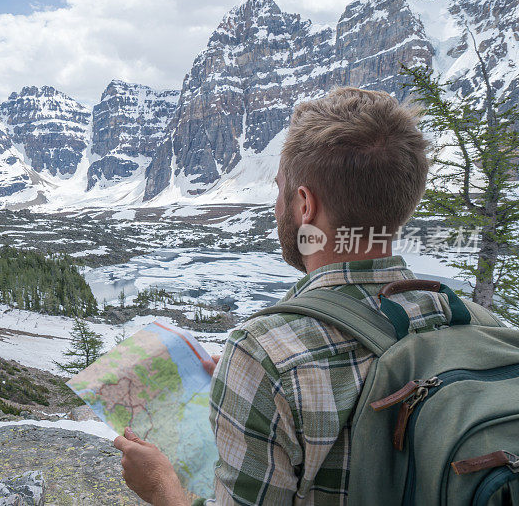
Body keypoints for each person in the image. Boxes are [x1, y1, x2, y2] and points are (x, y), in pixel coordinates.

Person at [114, 87, 441, 505]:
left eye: (278, 190)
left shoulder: (263, 353)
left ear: (304, 204)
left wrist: (160, 486)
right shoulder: (470, 319)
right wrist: (245, 388)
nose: (275, 206)